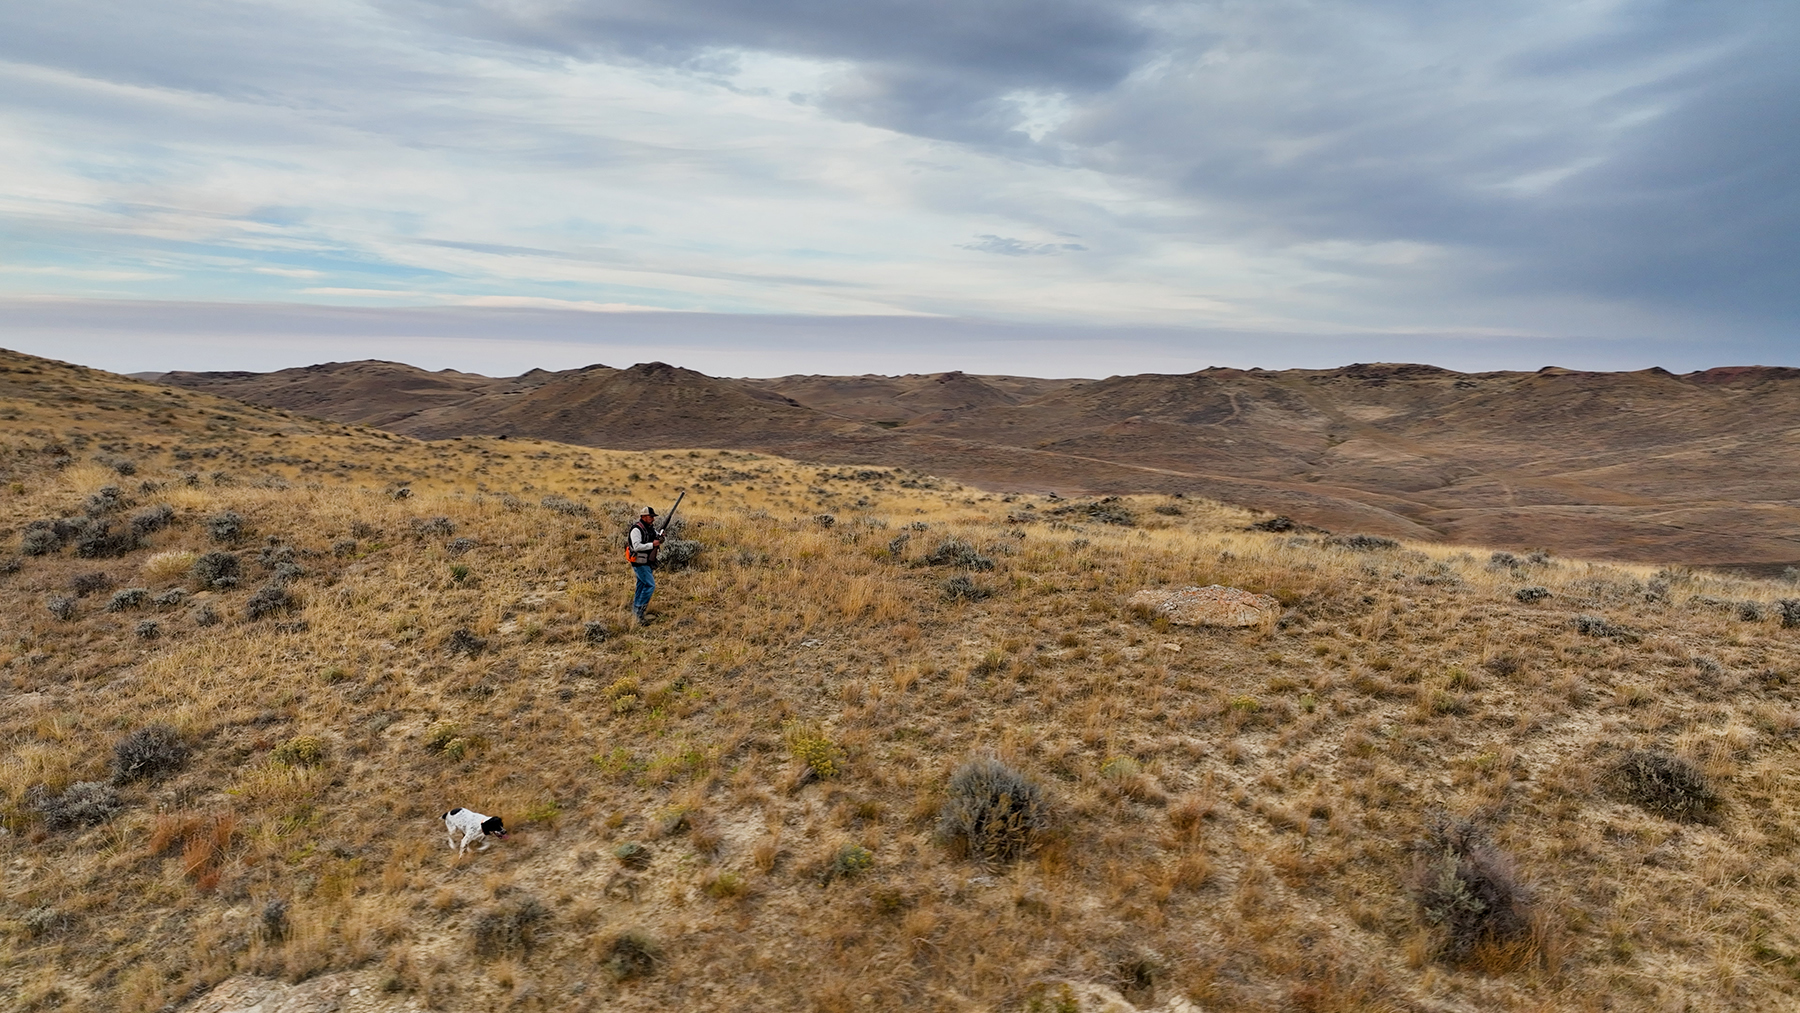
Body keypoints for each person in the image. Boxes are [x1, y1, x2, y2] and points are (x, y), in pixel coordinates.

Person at [626, 505, 663, 622]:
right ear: (643, 516)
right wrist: (653, 545)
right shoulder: (636, 529)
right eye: (650, 516)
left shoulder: (650, 528)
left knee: (641, 585)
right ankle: (639, 613)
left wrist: (661, 538)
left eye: (653, 516)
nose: (653, 518)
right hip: (639, 561)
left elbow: (657, 538)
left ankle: (636, 612)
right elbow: (636, 546)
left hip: (647, 561)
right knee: (650, 585)